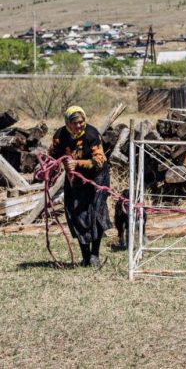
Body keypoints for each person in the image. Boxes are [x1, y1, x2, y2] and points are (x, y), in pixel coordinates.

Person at [48, 106, 112, 267]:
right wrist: (48, 168)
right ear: (68, 123)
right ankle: (85, 256)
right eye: (75, 123)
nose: (79, 125)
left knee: (96, 212)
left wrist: (76, 163)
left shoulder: (92, 134)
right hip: (75, 179)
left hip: (97, 177)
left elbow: (99, 161)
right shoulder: (60, 136)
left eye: (82, 122)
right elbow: (52, 157)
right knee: (76, 213)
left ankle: (94, 255)